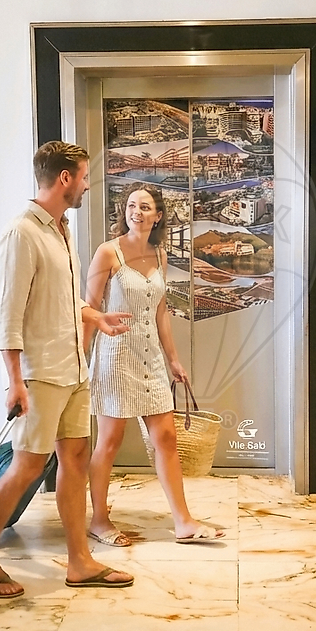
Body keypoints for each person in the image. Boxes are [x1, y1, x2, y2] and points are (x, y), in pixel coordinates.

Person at [0, 141, 135, 598]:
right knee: (27, 466)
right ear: (64, 178)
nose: (87, 185)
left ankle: (80, 561)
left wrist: (95, 316)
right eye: (84, 176)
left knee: (75, 460)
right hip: (39, 374)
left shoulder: (61, 230)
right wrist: (14, 382)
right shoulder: (21, 233)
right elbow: (7, 315)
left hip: (73, 370)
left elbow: (61, 298)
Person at [84, 183, 225, 546]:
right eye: (132, 205)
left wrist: (173, 359)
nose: (137, 212)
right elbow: (88, 310)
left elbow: (161, 311)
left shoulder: (160, 255)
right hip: (115, 356)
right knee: (110, 440)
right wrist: (80, 360)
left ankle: (183, 521)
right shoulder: (108, 252)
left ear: (158, 216)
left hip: (151, 357)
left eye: (145, 207)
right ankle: (98, 520)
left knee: (166, 436)